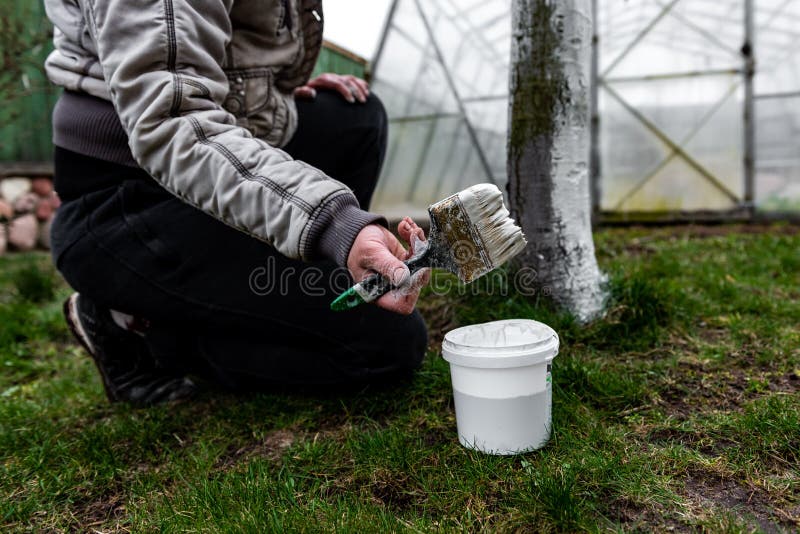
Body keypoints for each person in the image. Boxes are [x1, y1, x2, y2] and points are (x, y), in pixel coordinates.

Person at [43, 0, 430, 405]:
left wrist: (271, 98)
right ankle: (138, 331)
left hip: (197, 171)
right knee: (386, 345)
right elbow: (172, 121)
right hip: (124, 204)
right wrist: (336, 224)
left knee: (354, 117)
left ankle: (286, 291)